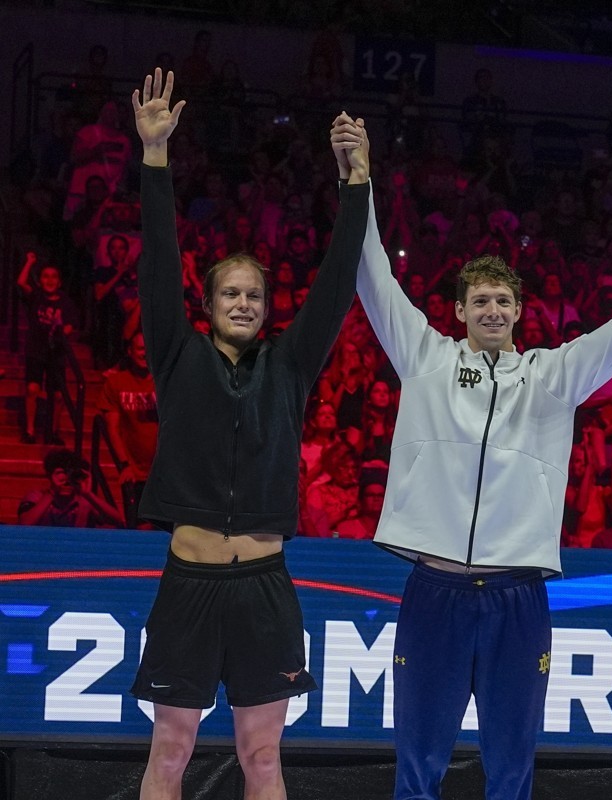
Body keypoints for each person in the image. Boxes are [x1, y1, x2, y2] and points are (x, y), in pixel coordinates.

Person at [354, 140, 612, 797]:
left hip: (517, 597)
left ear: (520, 312)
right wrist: (358, 181)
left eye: (504, 301)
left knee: (512, 768)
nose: (493, 310)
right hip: (433, 592)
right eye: (481, 301)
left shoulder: (553, 376)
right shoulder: (425, 359)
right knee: (416, 765)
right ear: (459, 311)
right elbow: (373, 274)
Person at [127, 69, 369, 800]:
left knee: (263, 758)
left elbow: (335, 281)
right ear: (208, 304)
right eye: (230, 292)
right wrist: (156, 158)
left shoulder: (291, 365)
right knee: (170, 749)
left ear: (268, 306)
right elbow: (157, 264)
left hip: (265, 585)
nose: (243, 302)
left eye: (254, 294)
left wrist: (356, 183)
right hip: (189, 582)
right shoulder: (177, 352)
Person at [97, 332, 158, 527]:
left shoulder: (167, 381)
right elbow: (112, 428)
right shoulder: (116, 383)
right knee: (140, 527)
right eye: (140, 349)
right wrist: (124, 464)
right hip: (134, 472)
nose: (144, 353)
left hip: (164, 472)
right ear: (130, 351)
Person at [17, 252, 79, 444]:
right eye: (45, 276)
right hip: (36, 350)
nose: (49, 280)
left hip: (56, 353)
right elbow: (21, 283)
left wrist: (63, 330)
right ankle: (30, 430)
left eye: (53, 277)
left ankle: (53, 431)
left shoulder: (66, 302)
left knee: (59, 395)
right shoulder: (36, 296)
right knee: (32, 389)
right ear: (40, 280)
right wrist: (29, 263)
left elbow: (71, 324)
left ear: (59, 282)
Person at [18, 448, 123, 528]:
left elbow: (119, 521)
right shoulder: (36, 497)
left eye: (70, 474)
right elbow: (24, 524)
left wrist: (88, 494)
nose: (66, 480)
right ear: (49, 476)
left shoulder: (84, 502)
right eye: (60, 473)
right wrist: (52, 493)